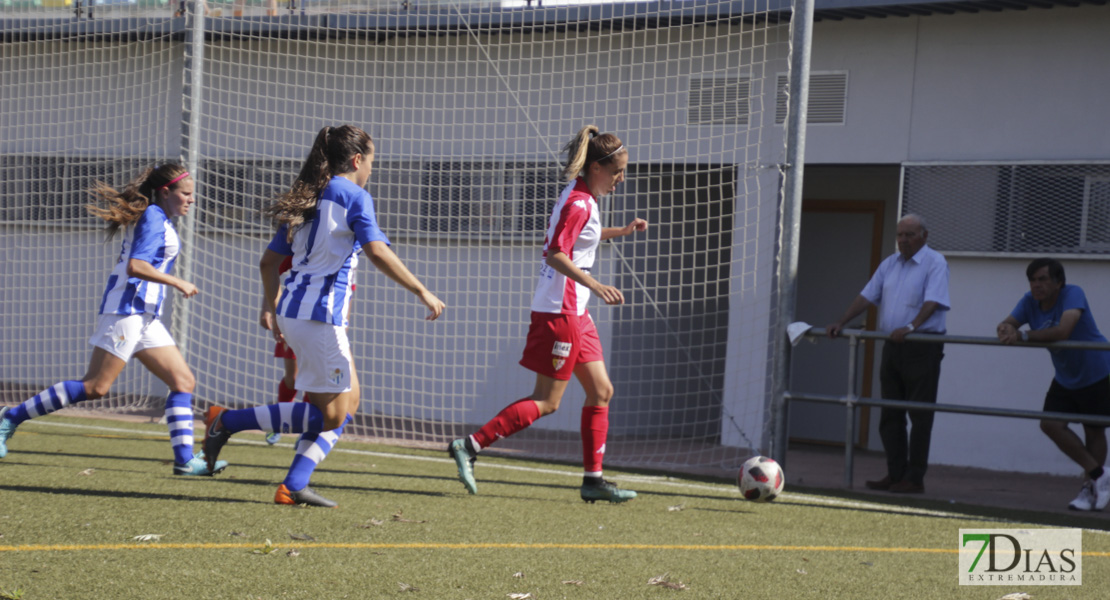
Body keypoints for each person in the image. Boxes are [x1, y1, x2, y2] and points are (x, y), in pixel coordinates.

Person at [203, 124, 445, 508]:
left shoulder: (306, 196)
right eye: (371, 161)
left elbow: (268, 263)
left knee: (349, 402)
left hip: (300, 313)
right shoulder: (354, 195)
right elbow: (378, 251)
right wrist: (422, 290)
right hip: (318, 317)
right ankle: (225, 422)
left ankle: (294, 484)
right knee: (332, 416)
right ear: (356, 160)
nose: (371, 170)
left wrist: (275, 307)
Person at [448, 125, 648, 504]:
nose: (622, 178)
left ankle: (593, 481)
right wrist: (595, 284)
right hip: (563, 312)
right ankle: (470, 445)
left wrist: (620, 231)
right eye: (618, 171)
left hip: (575, 312)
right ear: (597, 167)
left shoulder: (582, 197)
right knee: (548, 400)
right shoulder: (579, 202)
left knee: (601, 390)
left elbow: (579, 237)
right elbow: (556, 252)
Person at [0, 163, 226, 476]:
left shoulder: (161, 219)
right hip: (126, 310)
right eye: (186, 194)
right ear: (165, 192)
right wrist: (178, 282)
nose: (192, 200)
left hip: (144, 315)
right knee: (95, 387)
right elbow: (136, 266)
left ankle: (185, 461)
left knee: (183, 381)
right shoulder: (153, 217)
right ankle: (9, 418)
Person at [826, 214, 949, 494]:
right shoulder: (889, 264)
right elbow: (867, 296)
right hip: (892, 346)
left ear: (924, 236)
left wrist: (910, 327)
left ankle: (914, 478)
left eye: (910, 235)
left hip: (922, 345)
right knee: (890, 414)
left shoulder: (935, 262)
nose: (903, 240)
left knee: (920, 416)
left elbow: (933, 301)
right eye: (900, 235)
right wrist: (841, 321)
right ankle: (896, 474)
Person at [996, 258, 1110, 511]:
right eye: (1033, 280)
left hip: (1097, 371)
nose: (1036, 285)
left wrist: (1022, 335)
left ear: (1059, 282)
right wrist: (1004, 329)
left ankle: (1088, 491)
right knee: (1050, 424)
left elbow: (1063, 331)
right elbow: (1008, 323)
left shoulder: (1073, 294)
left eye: (1043, 279)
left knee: (1094, 430)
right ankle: (1099, 474)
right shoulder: (1029, 301)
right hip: (1065, 377)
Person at [264, 254, 300, 446]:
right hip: (294, 317)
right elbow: (270, 269)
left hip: (325, 319)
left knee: (316, 379)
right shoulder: (299, 244)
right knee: (293, 378)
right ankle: (279, 421)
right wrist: (268, 308)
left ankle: (310, 430)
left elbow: (349, 289)